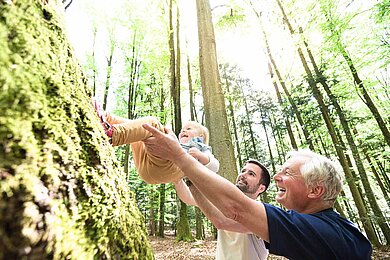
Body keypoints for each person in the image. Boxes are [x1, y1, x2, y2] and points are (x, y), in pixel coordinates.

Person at [141, 123, 373, 260]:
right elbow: (222, 218)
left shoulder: (323, 230)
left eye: (288, 173)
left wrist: (180, 158)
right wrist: (188, 174)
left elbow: (236, 209)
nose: (278, 177)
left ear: (316, 190)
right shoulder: (312, 223)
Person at [92, 98, 219, 183]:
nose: (183, 131)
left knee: (152, 125)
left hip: (168, 166)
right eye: (182, 130)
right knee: (138, 130)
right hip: (150, 167)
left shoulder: (200, 146)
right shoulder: (178, 143)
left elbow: (214, 166)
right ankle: (106, 118)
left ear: (201, 136)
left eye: (189, 129)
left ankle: (111, 135)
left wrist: (201, 156)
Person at [175, 159, 270, 260]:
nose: (243, 175)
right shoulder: (225, 202)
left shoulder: (262, 214)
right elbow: (188, 198)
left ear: (261, 188)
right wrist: (176, 177)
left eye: (251, 174)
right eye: (243, 171)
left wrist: (191, 174)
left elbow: (222, 222)